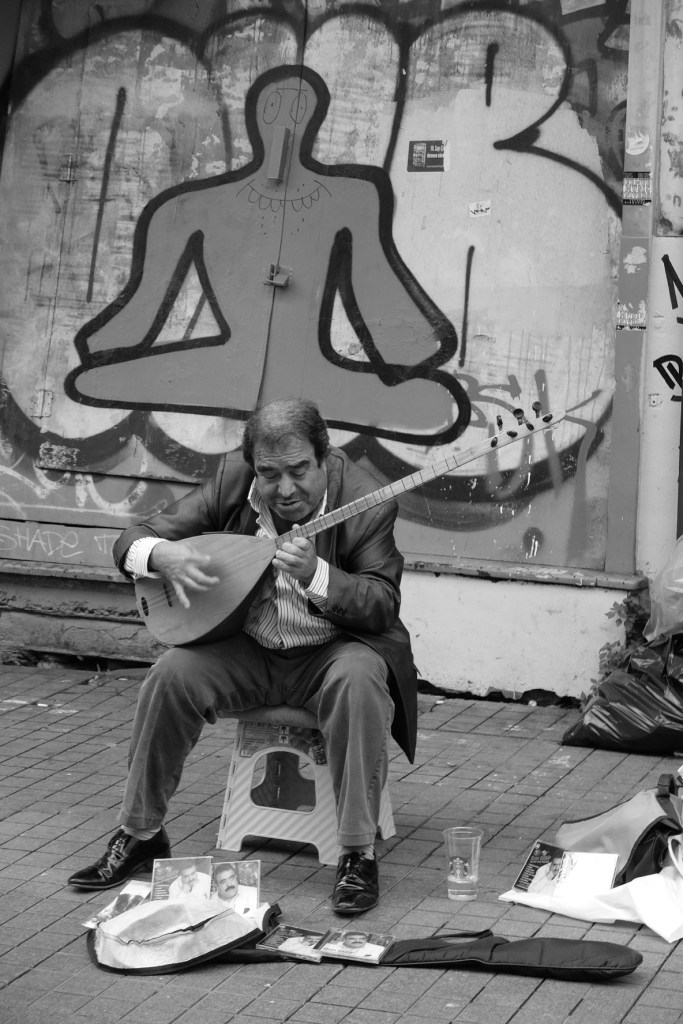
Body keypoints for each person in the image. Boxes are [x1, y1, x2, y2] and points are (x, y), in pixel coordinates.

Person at [68, 398, 418, 915]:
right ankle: (141, 834)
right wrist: (160, 555)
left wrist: (317, 575)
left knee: (360, 680)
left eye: (299, 471)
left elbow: (381, 603)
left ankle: (357, 852)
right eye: (270, 474)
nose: (285, 490)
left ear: (325, 458)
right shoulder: (233, 481)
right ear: (253, 466)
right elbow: (132, 538)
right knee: (171, 674)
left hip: (332, 652)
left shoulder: (367, 500)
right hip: (249, 649)